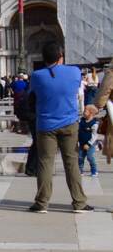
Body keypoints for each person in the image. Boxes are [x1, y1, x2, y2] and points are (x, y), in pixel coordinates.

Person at [27, 42, 89, 213]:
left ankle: (42, 203)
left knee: (45, 163)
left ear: (43, 58)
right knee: (72, 163)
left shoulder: (37, 76)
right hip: (69, 123)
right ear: (61, 56)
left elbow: (31, 95)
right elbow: (76, 88)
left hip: (45, 125)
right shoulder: (75, 71)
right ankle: (79, 202)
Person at [78, 113, 100, 178]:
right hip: (81, 143)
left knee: (90, 157)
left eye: (86, 111)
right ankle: (80, 170)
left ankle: (94, 170)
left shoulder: (94, 124)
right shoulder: (81, 121)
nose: (84, 112)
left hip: (90, 144)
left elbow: (95, 136)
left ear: (91, 113)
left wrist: (88, 144)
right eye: (84, 110)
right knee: (80, 157)